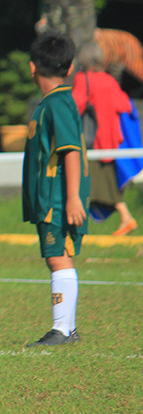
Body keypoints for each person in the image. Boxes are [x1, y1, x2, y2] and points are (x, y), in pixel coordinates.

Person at [23, 31, 89, 347]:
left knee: (57, 257)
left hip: (59, 199)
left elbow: (71, 150)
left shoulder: (59, 103)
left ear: (32, 67)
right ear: (71, 65)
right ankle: (68, 328)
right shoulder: (51, 103)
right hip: (52, 198)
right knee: (58, 256)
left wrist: (74, 197)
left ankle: (62, 330)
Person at [72, 41, 137, 236]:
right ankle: (125, 218)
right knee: (108, 181)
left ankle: (125, 218)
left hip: (94, 141)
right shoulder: (109, 80)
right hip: (112, 140)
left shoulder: (84, 80)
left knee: (86, 182)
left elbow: (76, 105)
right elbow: (124, 105)